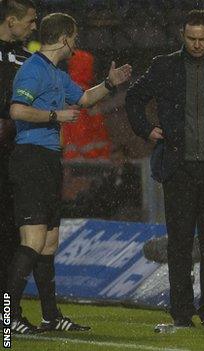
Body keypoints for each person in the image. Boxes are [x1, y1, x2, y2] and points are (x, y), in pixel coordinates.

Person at [125, 9, 204, 329]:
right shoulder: (163, 65)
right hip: (178, 170)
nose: (196, 45)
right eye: (191, 39)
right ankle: (182, 314)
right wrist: (147, 129)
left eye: (202, 39)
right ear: (183, 36)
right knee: (180, 244)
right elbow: (133, 98)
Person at [7, 12, 131, 334]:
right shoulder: (33, 70)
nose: (76, 45)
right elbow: (17, 110)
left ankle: (51, 316)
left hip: (49, 161)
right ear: (64, 39)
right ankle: (6, 315)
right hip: (31, 160)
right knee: (32, 241)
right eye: (74, 38)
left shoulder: (56, 73)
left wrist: (109, 84)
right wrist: (55, 115)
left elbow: (86, 98)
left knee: (49, 243)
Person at [0, 0, 36, 298]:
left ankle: (9, 310)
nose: (34, 26)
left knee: (13, 232)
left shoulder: (28, 59)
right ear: (11, 21)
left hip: (18, 155)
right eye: (30, 20)